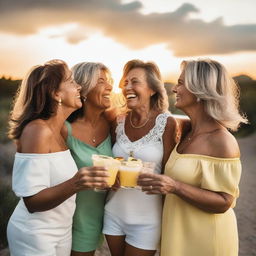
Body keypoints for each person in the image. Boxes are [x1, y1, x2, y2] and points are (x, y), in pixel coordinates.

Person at [138, 59, 248, 256]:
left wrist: (174, 186)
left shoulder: (222, 141)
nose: (174, 89)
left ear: (200, 91)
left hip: (206, 239)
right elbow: (163, 119)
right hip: (177, 234)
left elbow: (224, 201)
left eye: (181, 83)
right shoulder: (187, 131)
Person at [7, 60, 109, 256]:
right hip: (35, 233)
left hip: (62, 231)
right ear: (55, 93)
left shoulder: (59, 131)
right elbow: (32, 202)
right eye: (71, 81)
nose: (78, 86)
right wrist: (76, 183)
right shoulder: (37, 131)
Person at [103, 59, 178, 256]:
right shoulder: (117, 121)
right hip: (113, 212)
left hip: (148, 220)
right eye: (125, 82)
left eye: (134, 82)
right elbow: (111, 163)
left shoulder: (167, 123)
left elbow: (171, 173)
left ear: (153, 89)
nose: (127, 87)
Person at [60, 62, 114, 256]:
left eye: (109, 81)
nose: (109, 87)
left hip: (95, 219)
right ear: (82, 88)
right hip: (66, 220)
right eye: (101, 81)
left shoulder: (112, 124)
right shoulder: (65, 128)